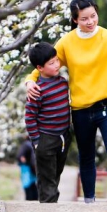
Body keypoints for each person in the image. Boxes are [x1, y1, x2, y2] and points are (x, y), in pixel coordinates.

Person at [26, 0, 107, 204]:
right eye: (84, 18)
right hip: (81, 110)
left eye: (93, 16)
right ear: (75, 19)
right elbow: (47, 63)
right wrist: (30, 81)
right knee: (86, 156)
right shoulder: (66, 43)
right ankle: (89, 201)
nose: (90, 21)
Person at [24, 42, 72, 203]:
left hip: (63, 137)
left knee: (55, 174)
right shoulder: (37, 90)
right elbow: (30, 117)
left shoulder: (63, 82)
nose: (57, 64)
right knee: (47, 180)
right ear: (40, 68)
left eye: (57, 60)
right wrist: (37, 141)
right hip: (46, 139)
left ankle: (51, 206)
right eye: (51, 63)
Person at [16, 136, 38, 201]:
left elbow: (20, 156)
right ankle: (33, 199)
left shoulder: (26, 144)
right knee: (32, 184)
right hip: (30, 167)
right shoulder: (32, 144)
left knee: (28, 184)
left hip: (27, 167)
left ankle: (30, 199)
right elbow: (21, 156)